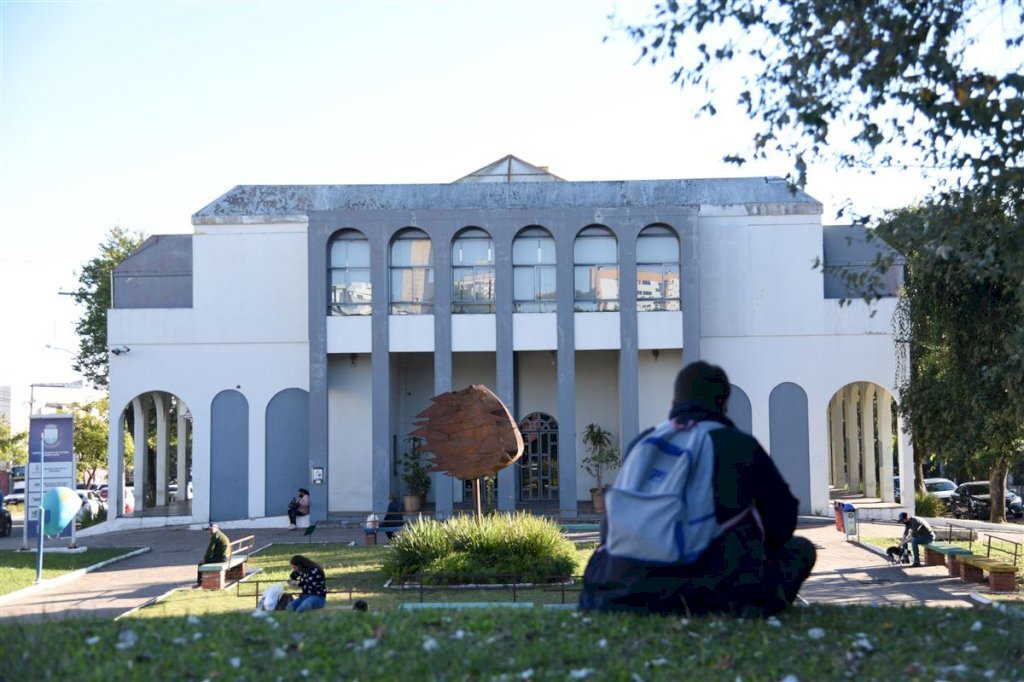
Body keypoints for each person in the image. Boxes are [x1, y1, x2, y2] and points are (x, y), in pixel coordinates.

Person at [579, 361, 817, 618]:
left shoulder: (643, 443)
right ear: (724, 404)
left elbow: (611, 528)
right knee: (800, 550)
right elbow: (782, 525)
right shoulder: (739, 445)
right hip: (709, 596)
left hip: (618, 594)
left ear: (674, 403)